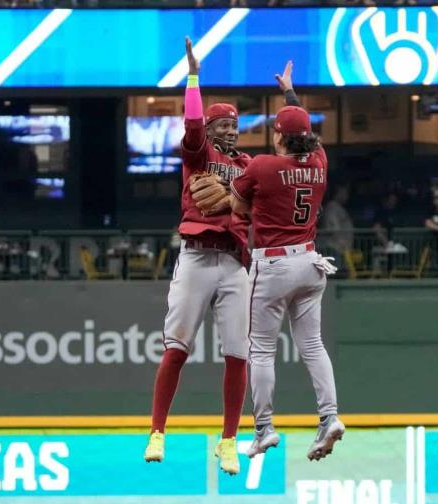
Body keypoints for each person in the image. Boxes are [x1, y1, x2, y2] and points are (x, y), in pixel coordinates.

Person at [144, 38, 300, 476]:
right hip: (195, 257)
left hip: (234, 262)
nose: (230, 131)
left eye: (234, 125)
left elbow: (292, 156)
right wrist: (193, 76)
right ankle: (158, 430)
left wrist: (290, 100)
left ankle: (229, 440)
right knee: (176, 348)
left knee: (238, 354)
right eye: (222, 125)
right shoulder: (199, 154)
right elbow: (192, 123)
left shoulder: (250, 164)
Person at [229, 63, 344, 463]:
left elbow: (237, 206)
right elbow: (305, 136)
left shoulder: (261, 165)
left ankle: (264, 429)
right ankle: (329, 416)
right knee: (312, 345)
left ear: (277, 134)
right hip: (311, 263)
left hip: (274, 264)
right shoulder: (319, 163)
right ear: (308, 136)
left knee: (260, 350)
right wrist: (291, 95)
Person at [320, 184, 354, 260]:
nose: (346, 196)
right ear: (338, 193)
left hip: (339, 249)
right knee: (336, 271)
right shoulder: (332, 207)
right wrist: (341, 242)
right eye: (344, 193)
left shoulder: (338, 207)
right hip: (333, 248)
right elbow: (333, 227)